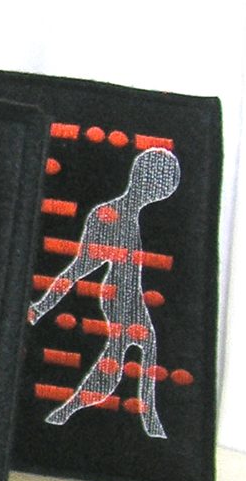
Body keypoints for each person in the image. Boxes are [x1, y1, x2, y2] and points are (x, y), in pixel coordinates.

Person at [29, 147, 178, 437]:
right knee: (118, 361)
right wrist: (41, 307)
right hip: (117, 297)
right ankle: (142, 420)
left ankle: (144, 418)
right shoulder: (109, 216)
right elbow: (76, 269)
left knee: (130, 353)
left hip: (129, 297)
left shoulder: (130, 215)